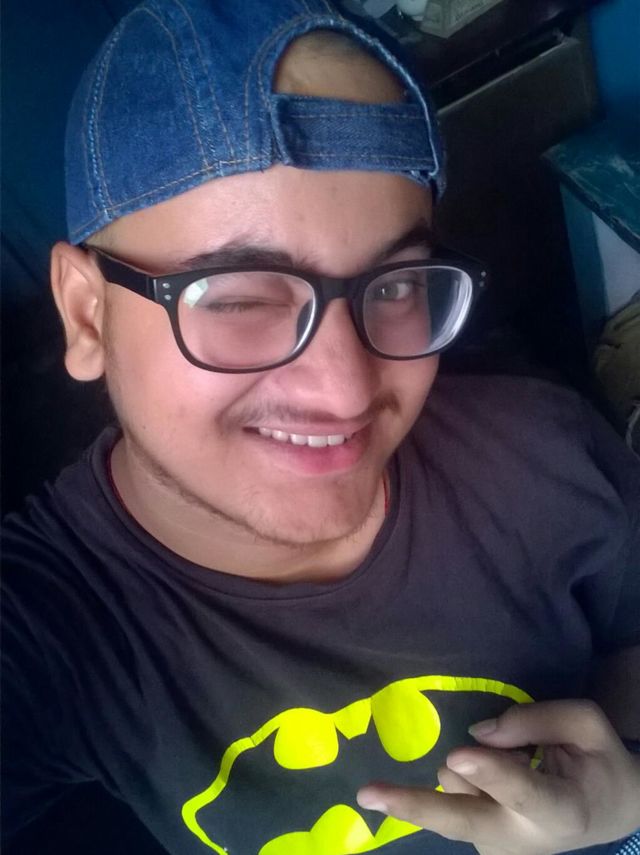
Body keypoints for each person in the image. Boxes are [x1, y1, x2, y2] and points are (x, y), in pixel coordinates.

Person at [2, 0, 639, 853]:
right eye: (239, 297)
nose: (345, 390)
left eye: (396, 284)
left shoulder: (549, 456)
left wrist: (629, 797)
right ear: (87, 314)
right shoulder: (50, 628)